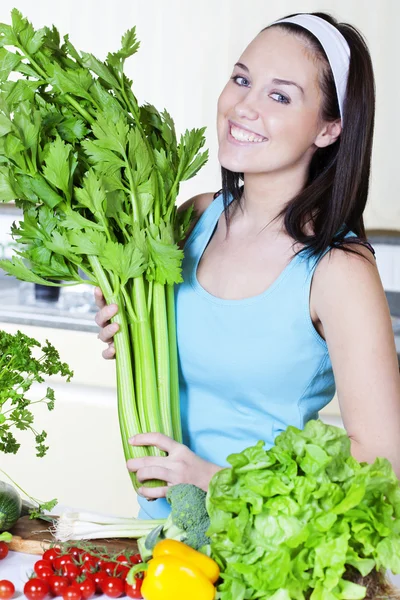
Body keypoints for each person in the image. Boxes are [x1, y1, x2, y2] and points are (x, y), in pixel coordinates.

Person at [94, 11, 400, 520]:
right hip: (161, 543)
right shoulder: (191, 219)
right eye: (241, 79)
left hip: (270, 554)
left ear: (329, 128)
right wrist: (123, 325)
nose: (244, 106)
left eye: (279, 96)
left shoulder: (337, 270)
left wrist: (214, 480)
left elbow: (384, 466)